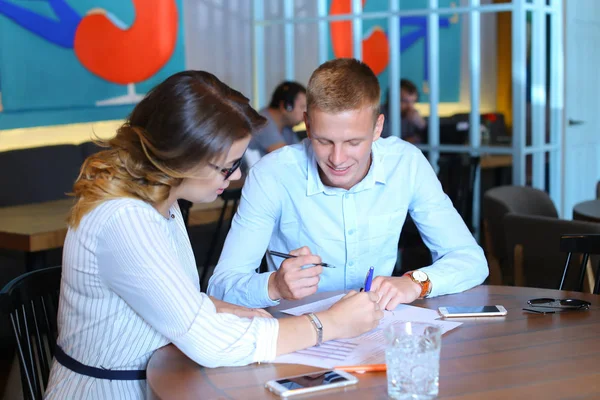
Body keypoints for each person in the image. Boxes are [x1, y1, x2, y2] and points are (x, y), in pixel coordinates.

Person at [44, 71, 383, 399]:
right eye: (227, 166)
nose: (235, 178)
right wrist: (330, 324)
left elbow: (165, 296)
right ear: (182, 158)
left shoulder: (159, 201)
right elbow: (209, 343)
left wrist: (222, 308)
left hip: (159, 380)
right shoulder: (126, 219)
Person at [208, 59, 488, 310]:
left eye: (353, 142)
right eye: (324, 141)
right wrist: (274, 286)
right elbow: (220, 287)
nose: (337, 159)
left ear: (378, 128)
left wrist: (415, 282)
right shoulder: (271, 174)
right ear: (307, 124)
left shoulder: (406, 164)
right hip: (297, 338)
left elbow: (471, 260)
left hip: (377, 331)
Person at [246, 81, 307, 160]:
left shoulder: (286, 127)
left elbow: (299, 152)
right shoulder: (263, 122)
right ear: (286, 106)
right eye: (302, 107)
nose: (306, 112)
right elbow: (286, 158)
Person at [381, 79, 427, 143]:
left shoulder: (414, 118)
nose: (410, 107)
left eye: (413, 102)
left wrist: (423, 126)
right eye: (404, 101)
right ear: (390, 99)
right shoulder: (378, 115)